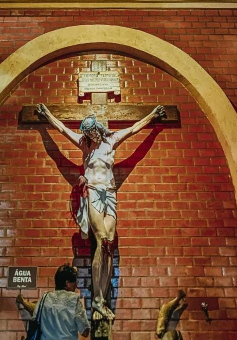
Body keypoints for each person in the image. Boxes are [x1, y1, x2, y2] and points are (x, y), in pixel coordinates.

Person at [36, 103, 165, 320]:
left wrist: (153, 118)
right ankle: (96, 299)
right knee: (101, 239)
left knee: (109, 245)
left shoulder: (111, 141)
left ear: (99, 129)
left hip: (111, 194)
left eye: (93, 132)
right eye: (87, 133)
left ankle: (102, 299)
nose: (91, 136)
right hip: (94, 193)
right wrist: (46, 115)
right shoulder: (83, 144)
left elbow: (134, 129)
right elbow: (61, 131)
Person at [32, 263, 90, 340]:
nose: (76, 285)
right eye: (74, 282)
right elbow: (85, 331)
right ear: (67, 283)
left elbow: (34, 320)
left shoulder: (44, 298)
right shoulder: (73, 299)